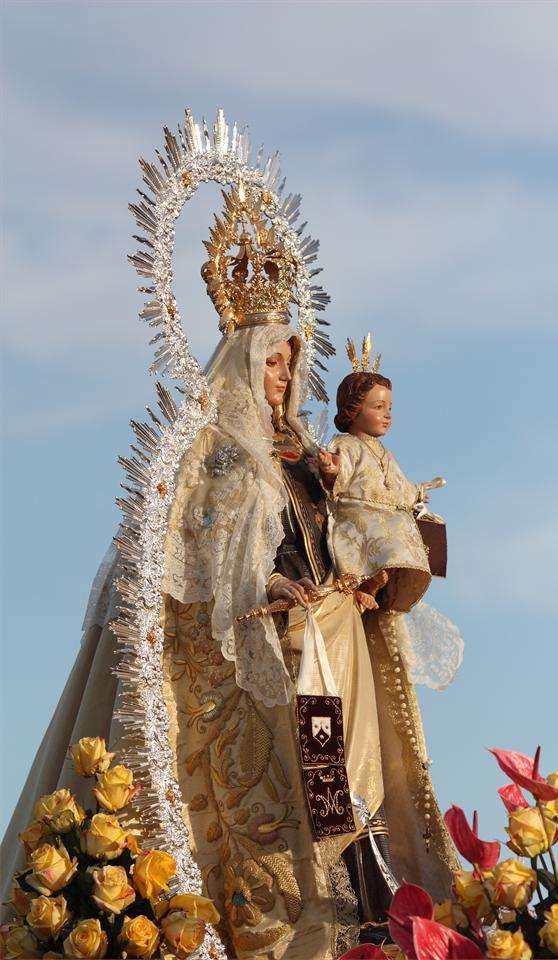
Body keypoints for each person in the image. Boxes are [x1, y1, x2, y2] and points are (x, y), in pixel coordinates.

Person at [1, 187, 459, 960]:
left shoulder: (310, 458)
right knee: (312, 786)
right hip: (270, 657)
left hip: (333, 634)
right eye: (270, 360)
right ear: (243, 362)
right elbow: (203, 554)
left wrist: (376, 559)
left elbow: (344, 528)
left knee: (353, 775)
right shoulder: (216, 454)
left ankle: (375, 905)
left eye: (290, 360)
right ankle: (324, 917)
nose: (282, 375)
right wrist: (267, 589)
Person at [317, 336, 435, 614]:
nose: (387, 415)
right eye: (378, 407)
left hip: (385, 518)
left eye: (389, 408)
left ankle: (379, 586)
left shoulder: (385, 453)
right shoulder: (345, 444)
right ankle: (363, 585)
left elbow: (398, 484)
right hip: (357, 515)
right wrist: (332, 470)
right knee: (383, 538)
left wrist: (416, 492)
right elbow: (340, 472)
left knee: (400, 532)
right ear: (354, 410)